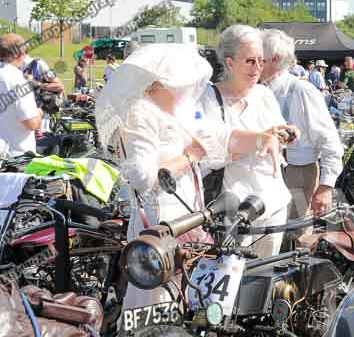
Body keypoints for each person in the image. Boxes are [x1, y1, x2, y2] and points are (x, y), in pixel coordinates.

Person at [93, 43, 289, 312]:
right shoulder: (141, 113)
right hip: (159, 224)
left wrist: (262, 138)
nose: (189, 91)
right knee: (157, 302)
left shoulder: (179, 112)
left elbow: (222, 138)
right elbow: (141, 176)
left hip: (189, 219)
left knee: (186, 298)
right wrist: (190, 156)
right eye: (184, 84)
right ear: (161, 84)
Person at [198, 25, 298, 257]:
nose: (258, 68)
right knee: (233, 271)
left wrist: (285, 135)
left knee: (266, 272)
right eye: (250, 61)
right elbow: (209, 155)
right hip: (236, 210)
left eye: (261, 61)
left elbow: (274, 139)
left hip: (273, 202)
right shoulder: (208, 98)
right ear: (230, 62)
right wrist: (259, 140)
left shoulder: (264, 94)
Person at [261, 29, 344, 229]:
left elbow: (329, 140)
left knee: (296, 235)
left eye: (259, 57)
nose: (254, 61)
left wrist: (325, 187)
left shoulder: (301, 90)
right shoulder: (259, 90)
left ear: (275, 59)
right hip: (268, 172)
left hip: (296, 174)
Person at [0, 33, 42, 156]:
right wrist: (39, 113)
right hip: (16, 156)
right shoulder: (16, 79)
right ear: (19, 54)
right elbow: (31, 123)